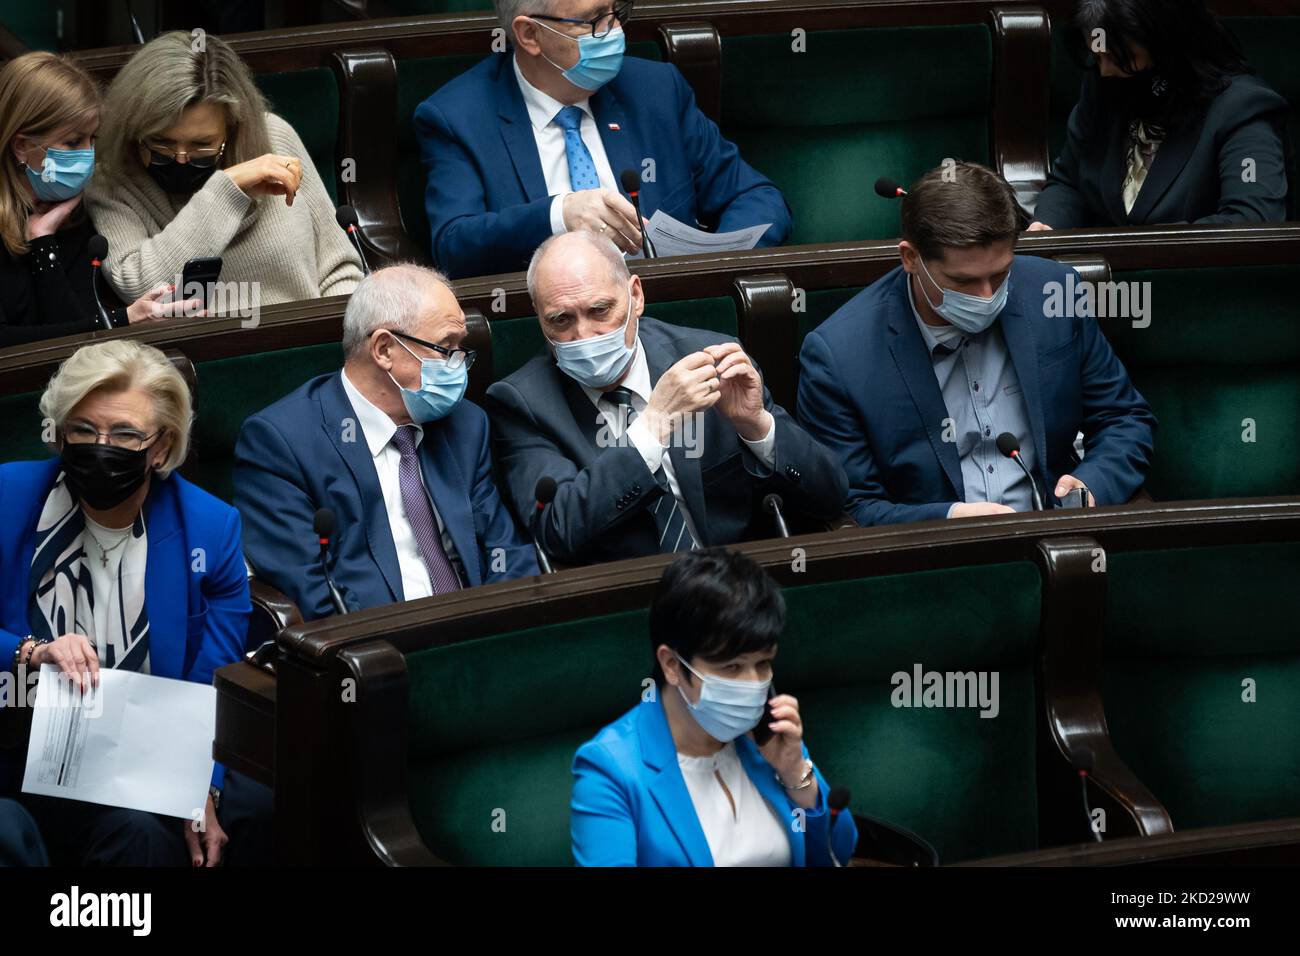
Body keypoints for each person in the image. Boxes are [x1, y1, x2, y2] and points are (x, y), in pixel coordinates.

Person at [0, 340, 253, 866]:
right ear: (61, 432)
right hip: (17, 741)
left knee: (149, 834)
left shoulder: (209, 528)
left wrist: (200, 786)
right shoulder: (9, 496)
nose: (101, 446)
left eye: (125, 434)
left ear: (160, 447)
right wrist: (30, 651)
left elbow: (216, 681)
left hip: (138, 756)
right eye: (84, 430)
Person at [798, 161, 1156, 527]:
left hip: (1060, 532)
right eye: (964, 282)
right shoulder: (840, 355)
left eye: (1000, 275)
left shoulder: (1054, 294)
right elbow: (851, 506)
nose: (988, 297)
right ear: (911, 259)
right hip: (937, 562)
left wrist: (1092, 485)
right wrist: (951, 519)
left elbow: (1123, 417)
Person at [485, 231, 847, 565]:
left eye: (600, 310)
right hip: (624, 601)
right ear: (539, 318)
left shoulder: (712, 357)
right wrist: (653, 426)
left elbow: (829, 495)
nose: (585, 335)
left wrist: (756, 427)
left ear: (636, 296)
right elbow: (556, 531)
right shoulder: (521, 403)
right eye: (561, 320)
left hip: (738, 582)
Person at [234, 264, 538, 621]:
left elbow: (506, 550)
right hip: (377, 651)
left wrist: (504, 630)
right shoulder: (281, 443)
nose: (458, 366)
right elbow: (313, 596)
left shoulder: (466, 425)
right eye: (445, 348)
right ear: (384, 349)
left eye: (460, 349)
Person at [413, 0, 791, 279]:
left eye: (616, 13)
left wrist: (708, 270)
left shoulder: (656, 90)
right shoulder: (456, 118)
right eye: (593, 21)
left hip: (674, 319)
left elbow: (758, 198)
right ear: (530, 35)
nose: (614, 32)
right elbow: (455, 245)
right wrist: (559, 216)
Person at [571, 548, 858, 866]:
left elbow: (837, 854)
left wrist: (794, 773)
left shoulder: (768, 735)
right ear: (671, 665)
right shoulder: (611, 769)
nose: (752, 684)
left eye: (762, 664)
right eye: (732, 667)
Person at [86, 32, 362, 309]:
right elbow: (142, 289)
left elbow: (340, 270)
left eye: (201, 145)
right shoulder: (110, 180)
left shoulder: (274, 138)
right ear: (134, 129)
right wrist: (227, 189)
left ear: (232, 129)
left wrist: (332, 340)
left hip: (307, 343)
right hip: (205, 350)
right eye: (161, 143)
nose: (181, 159)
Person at [1031, 0, 1289, 229]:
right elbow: (1070, 182)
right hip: (1100, 279)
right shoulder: (1104, 87)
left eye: (1122, 58)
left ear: (1167, 48)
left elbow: (1252, 220)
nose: (1105, 71)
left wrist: (1138, 249)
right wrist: (1048, 227)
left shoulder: (1242, 109)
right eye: (1098, 57)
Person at [0, 52, 199, 347]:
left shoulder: (73, 215)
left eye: (93, 139)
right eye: (73, 142)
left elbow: (75, 344)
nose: (88, 155)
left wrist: (42, 241)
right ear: (22, 146)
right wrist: (122, 319)